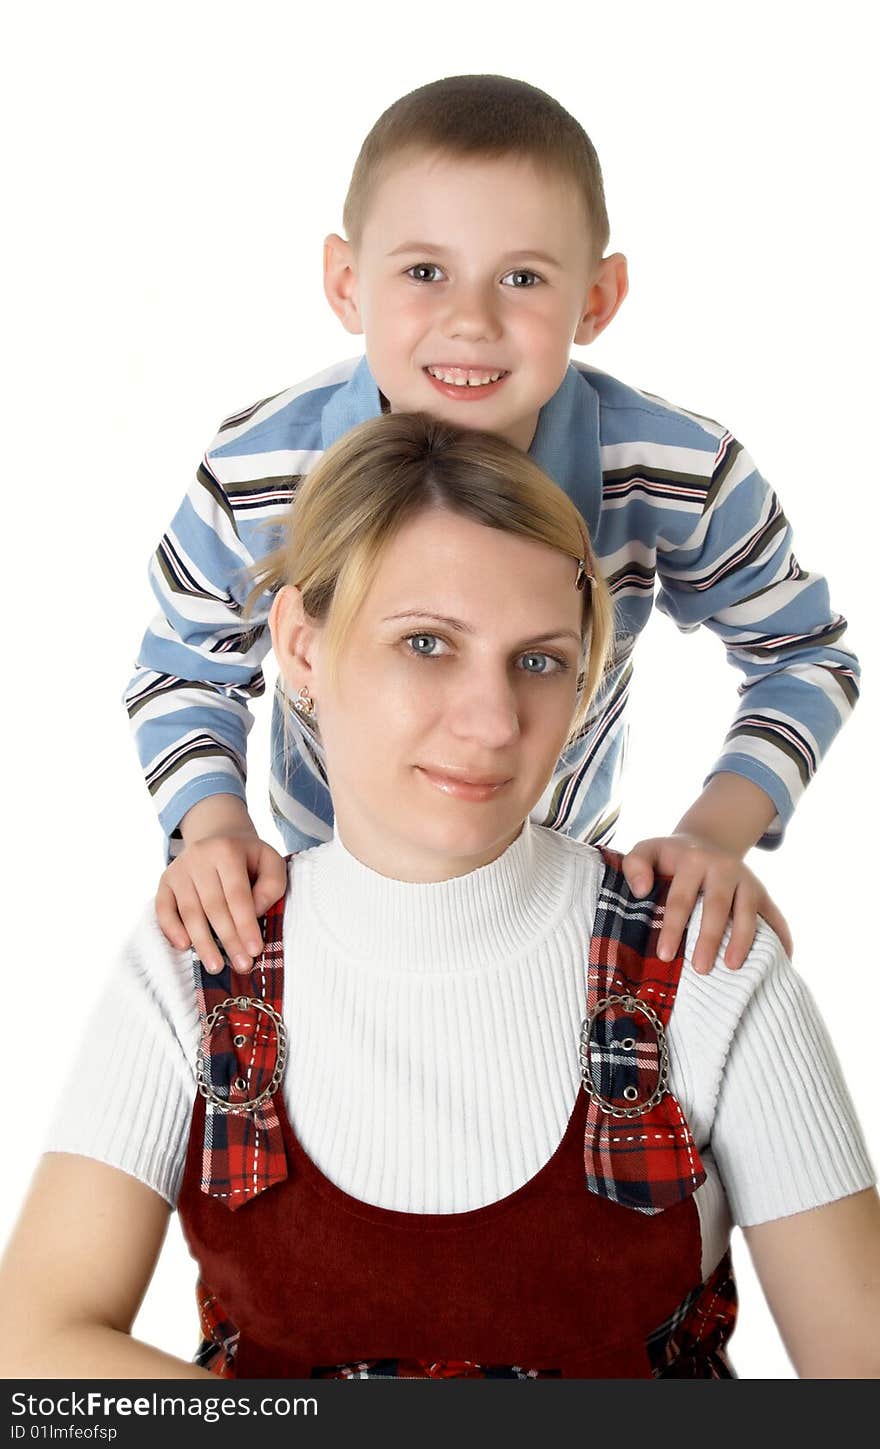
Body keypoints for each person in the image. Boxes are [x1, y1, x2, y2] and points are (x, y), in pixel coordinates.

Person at [2, 415, 876, 1379]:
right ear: (298, 642)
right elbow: (35, 1354)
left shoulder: (704, 957)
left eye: (539, 660)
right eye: (426, 643)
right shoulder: (201, 962)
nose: (493, 721)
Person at [127, 73, 855, 986]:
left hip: (554, 901)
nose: (470, 321)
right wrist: (216, 829)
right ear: (348, 283)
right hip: (326, 896)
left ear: (596, 299)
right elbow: (183, 663)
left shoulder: (680, 471)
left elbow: (801, 654)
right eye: (425, 272)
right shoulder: (257, 467)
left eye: (522, 277)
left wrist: (717, 832)